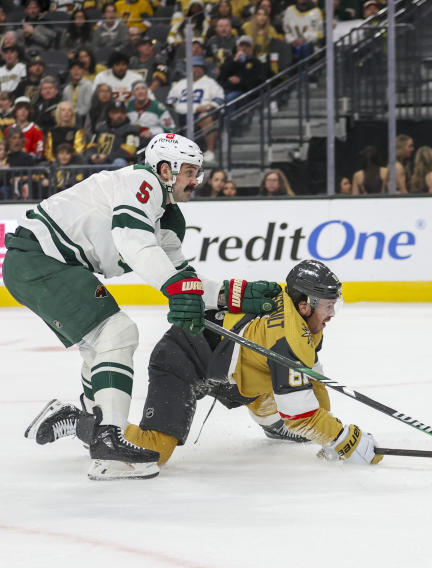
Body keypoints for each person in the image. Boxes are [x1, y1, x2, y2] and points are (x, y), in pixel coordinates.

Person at [6, 133, 281, 480]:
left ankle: (85, 423)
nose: (196, 180)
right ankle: (109, 441)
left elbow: (184, 279)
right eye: (189, 171)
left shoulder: (167, 216)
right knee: (117, 332)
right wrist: (179, 288)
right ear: (165, 169)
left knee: (100, 346)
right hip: (38, 258)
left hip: (48, 262)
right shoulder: (142, 181)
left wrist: (234, 294)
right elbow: (132, 239)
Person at [26, 262, 382, 475]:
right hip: (183, 359)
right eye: (328, 306)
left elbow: (311, 375)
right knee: (155, 454)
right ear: (304, 305)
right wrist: (342, 438)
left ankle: (269, 422)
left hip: (228, 364)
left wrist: (329, 431)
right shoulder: (288, 336)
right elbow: (300, 414)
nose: (332, 313)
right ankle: (78, 420)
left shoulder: (290, 306)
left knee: (280, 388)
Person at [167, 57, 225, 164]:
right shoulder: (181, 83)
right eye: (193, 67)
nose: (196, 70)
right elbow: (171, 99)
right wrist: (177, 106)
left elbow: (220, 99)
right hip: (181, 115)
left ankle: (210, 151)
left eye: (198, 67)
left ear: (203, 69)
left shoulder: (210, 82)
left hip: (199, 115)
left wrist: (208, 107)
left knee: (205, 116)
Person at [84, 101, 139, 166]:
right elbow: (92, 145)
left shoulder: (132, 130)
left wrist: (107, 157)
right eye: (116, 112)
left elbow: (130, 151)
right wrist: (92, 155)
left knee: (119, 162)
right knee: (85, 160)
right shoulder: (101, 128)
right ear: (109, 114)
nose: (119, 115)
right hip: (99, 162)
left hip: (121, 164)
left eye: (122, 112)